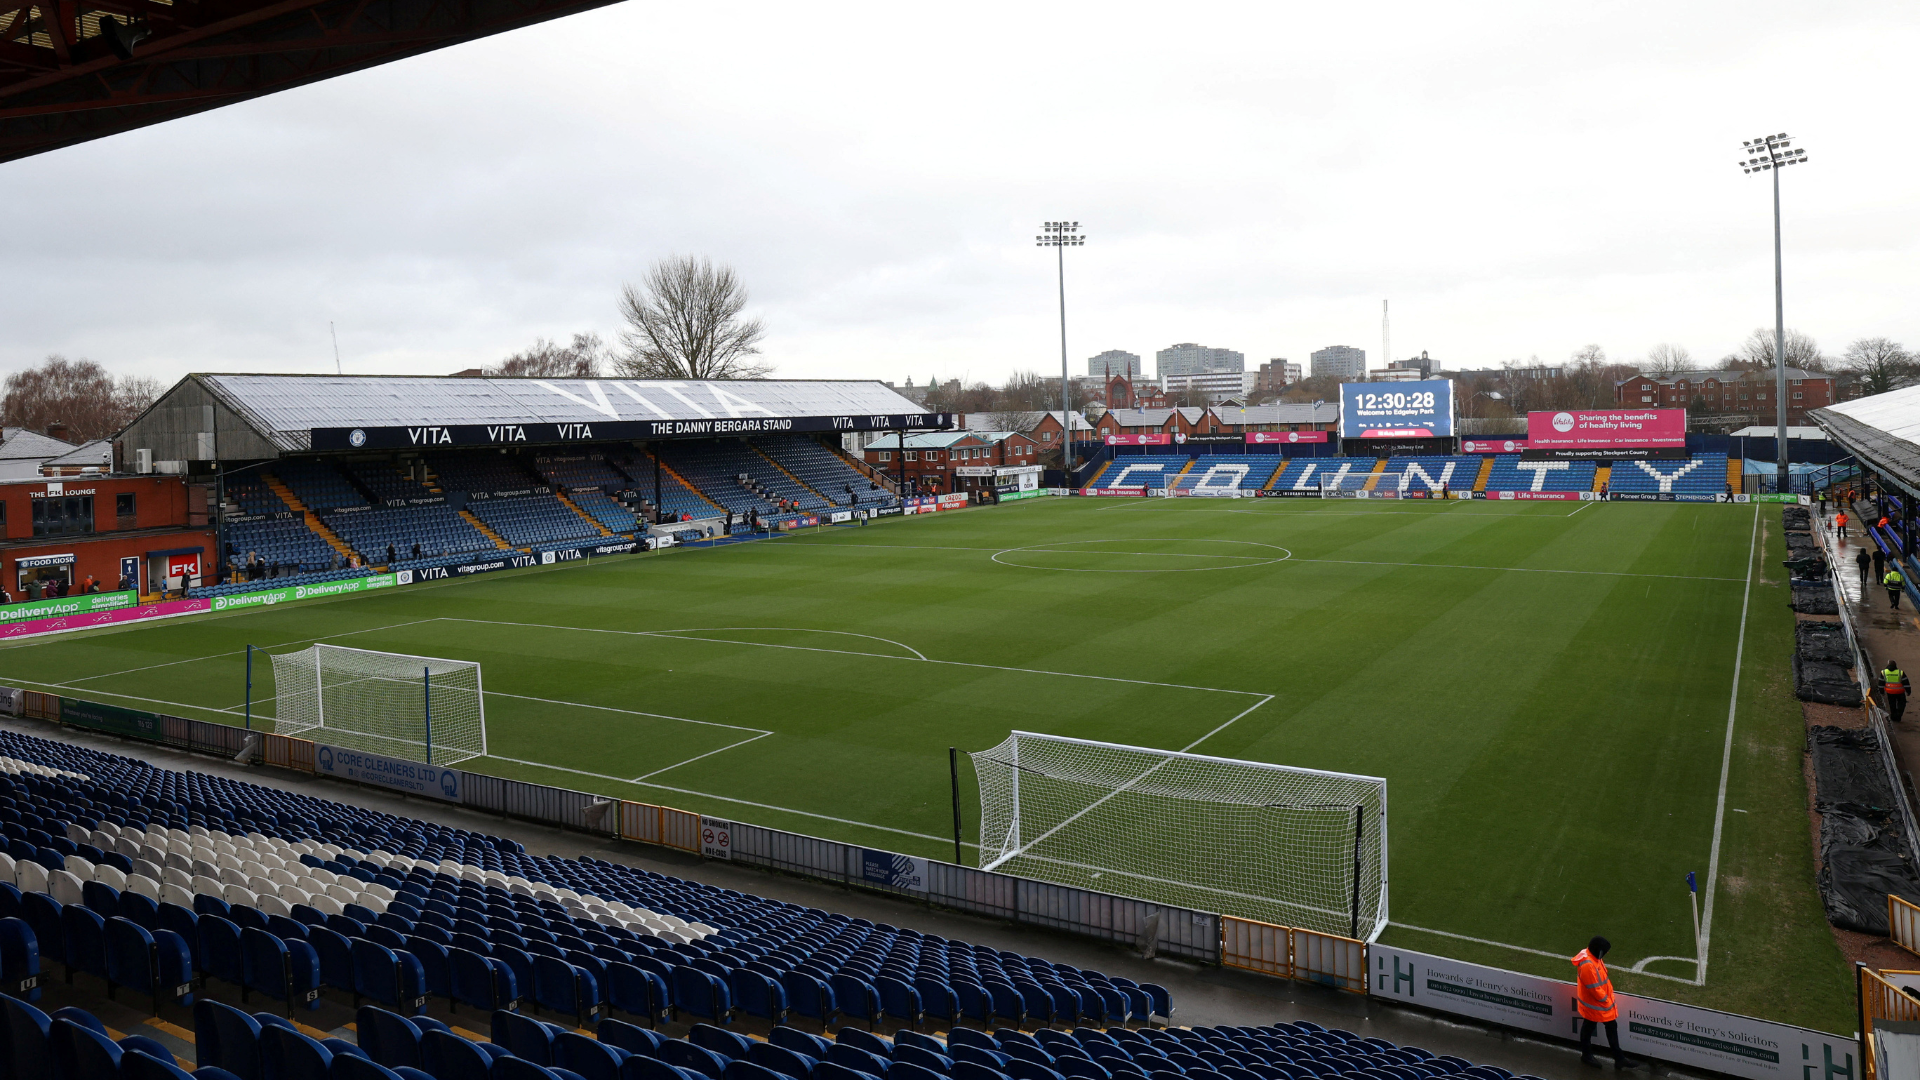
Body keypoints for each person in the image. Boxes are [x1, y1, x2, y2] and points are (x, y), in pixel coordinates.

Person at [1571, 937, 1638, 1070]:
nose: (1606, 954)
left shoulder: (1591, 957)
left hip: (1598, 1004)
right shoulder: (1588, 964)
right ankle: (1591, 1056)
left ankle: (1616, 1058)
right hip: (1597, 1005)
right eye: (1605, 951)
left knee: (1599, 1028)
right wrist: (1607, 1000)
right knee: (1591, 1028)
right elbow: (1595, 988)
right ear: (1599, 951)